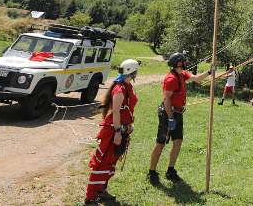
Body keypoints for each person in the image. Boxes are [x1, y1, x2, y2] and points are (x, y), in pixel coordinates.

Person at [148, 52, 212, 185]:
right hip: (168, 114)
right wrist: (170, 118)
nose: (185, 63)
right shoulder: (171, 79)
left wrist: (209, 72)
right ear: (179, 63)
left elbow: (196, 78)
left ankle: (170, 170)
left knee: (177, 141)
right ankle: (152, 172)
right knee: (161, 143)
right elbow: (166, 100)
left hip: (178, 113)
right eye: (183, 61)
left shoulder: (182, 74)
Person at [85, 59, 140, 205]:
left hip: (122, 129)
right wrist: (117, 132)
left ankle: (101, 191)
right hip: (113, 131)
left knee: (111, 162)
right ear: (132, 72)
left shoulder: (127, 86)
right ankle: (90, 198)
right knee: (103, 163)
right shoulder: (120, 89)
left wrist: (128, 125)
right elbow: (116, 112)